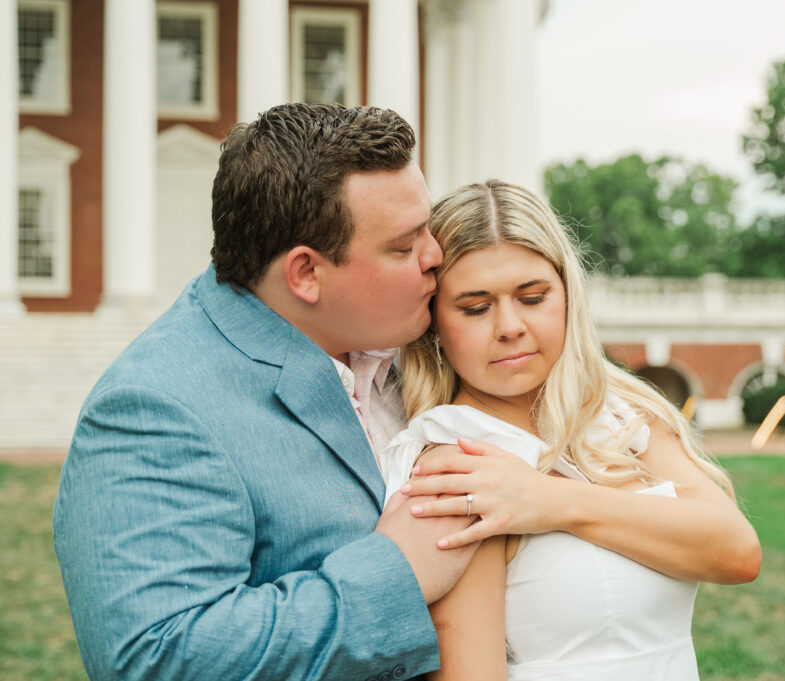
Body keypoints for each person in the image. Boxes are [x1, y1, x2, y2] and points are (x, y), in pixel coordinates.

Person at [53, 104, 477, 681]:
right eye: (403, 247)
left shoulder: (416, 344)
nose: (436, 256)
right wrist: (396, 573)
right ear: (305, 273)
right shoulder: (155, 405)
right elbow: (158, 658)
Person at [379, 180, 762, 680]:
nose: (510, 325)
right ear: (434, 325)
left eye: (533, 297)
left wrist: (552, 502)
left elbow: (737, 551)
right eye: (476, 307)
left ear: (566, 294)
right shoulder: (458, 461)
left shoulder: (621, 413)